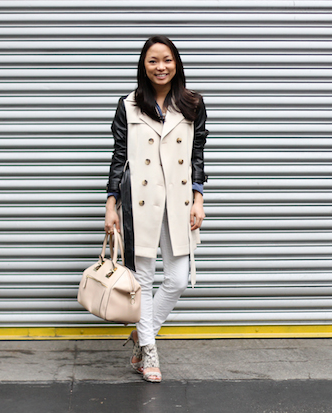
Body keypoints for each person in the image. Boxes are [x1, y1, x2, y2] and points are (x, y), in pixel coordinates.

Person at [104, 35, 208, 383]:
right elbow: (119, 158)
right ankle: (148, 350)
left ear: (176, 63)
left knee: (178, 279)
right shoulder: (129, 105)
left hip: (179, 202)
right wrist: (111, 206)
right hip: (140, 203)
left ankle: (141, 334)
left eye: (166, 60)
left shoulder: (192, 104)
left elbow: (197, 156)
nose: (160, 67)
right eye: (153, 61)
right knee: (143, 281)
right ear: (143, 66)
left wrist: (198, 199)